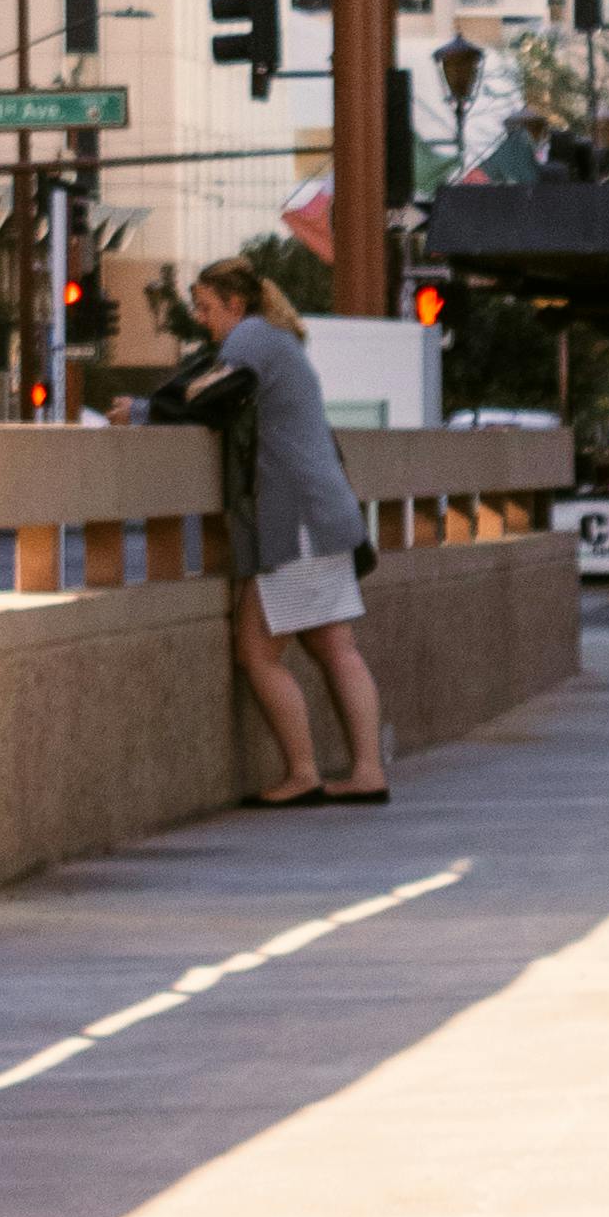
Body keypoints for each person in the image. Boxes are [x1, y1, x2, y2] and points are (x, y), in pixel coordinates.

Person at [150, 261, 392, 812]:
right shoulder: (279, 341)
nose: (202, 319)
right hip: (325, 510)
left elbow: (208, 399)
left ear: (236, 305)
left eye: (207, 306)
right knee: (336, 647)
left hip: (295, 519)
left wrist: (145, 410)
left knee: (257, 650)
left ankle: (303, 773)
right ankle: (367, 771)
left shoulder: (252, 338)